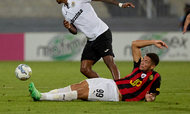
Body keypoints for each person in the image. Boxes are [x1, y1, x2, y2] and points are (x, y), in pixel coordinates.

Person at [29, 39, 168, 102]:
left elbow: (153, 95)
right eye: (143, 60)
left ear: (152, 66)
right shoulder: (138, 67)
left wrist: (151, 98)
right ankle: (42, 93)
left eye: (146, 62)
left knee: (80, 93)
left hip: (115, 95)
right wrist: (154, 41)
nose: (143, 63)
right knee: (78, 86)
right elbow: (134, 44)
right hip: (111, 83)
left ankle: (41, 97)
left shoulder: (155, 77)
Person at [53, 0, 135, 80]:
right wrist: (69, 27)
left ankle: (119, 88)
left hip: (102, 33)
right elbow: (75, 31)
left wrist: (120, 4)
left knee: (109, 61)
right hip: (91, 40)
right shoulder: (64, 10)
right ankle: (103, 86)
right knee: (84, 69)